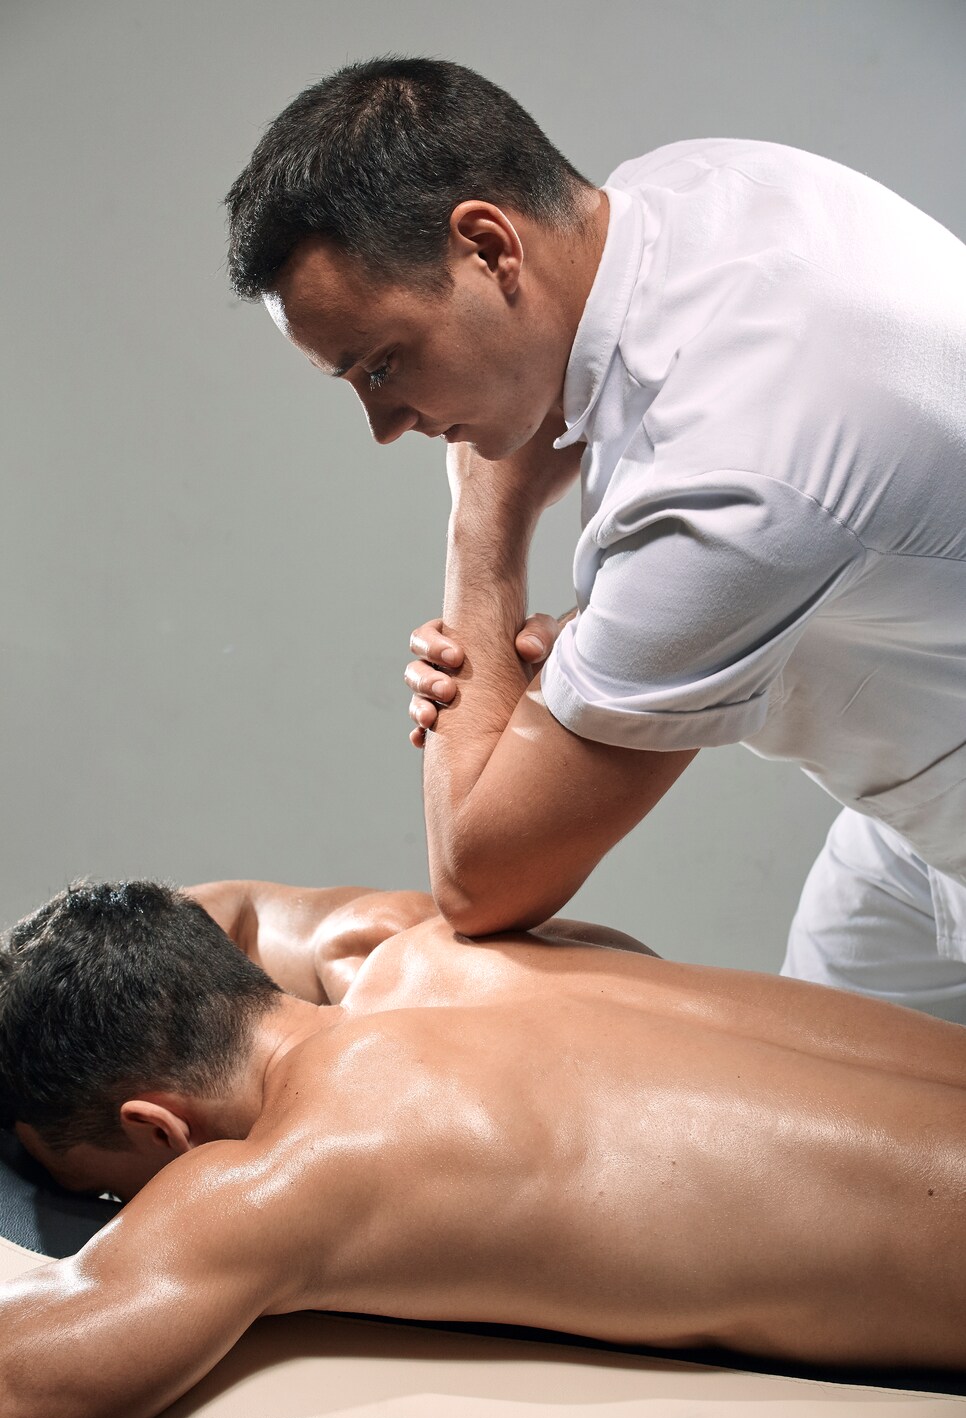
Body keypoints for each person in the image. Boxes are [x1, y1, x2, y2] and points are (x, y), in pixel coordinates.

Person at [224, 57, 966, 1021]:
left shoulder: (731, 469)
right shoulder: (681, 193)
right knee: (845, 1134)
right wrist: (617, 630)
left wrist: (483, 514)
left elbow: (480, 880)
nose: (385, 425)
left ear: (489, 248)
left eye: (382, 365)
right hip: (908, 814)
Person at [1, 877, 965, 1418]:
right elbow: (229, 912)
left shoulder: (298, 1167)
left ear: (160, 1131)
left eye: (106, 1186)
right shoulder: (417, 941)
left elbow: (23, 1388)